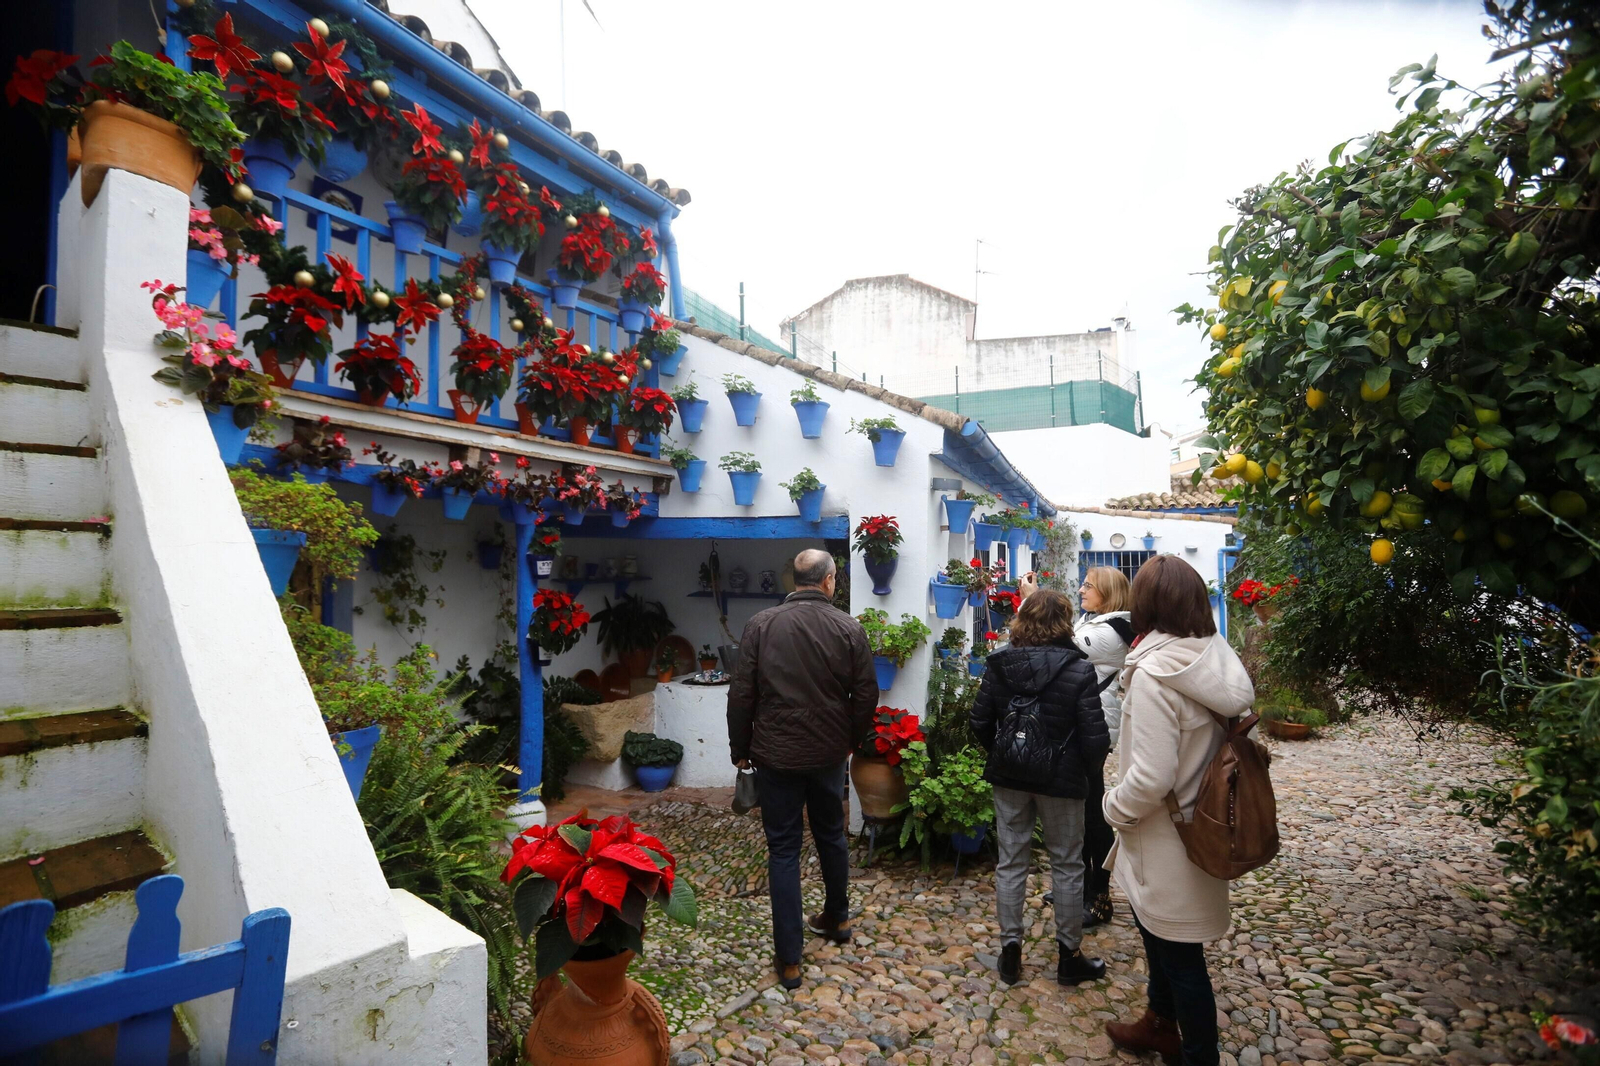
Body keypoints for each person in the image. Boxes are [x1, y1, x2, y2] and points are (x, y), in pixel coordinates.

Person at [1102, 555, 1255, 1066]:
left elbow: (1150, 777)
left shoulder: (1153, 674)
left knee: (1182, 959)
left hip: (1166, 838)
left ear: (1144, 605)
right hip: (1202, 824)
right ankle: (1159, 1024)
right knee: (1163, 939)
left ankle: (1197, 1055)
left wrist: (1113, 807)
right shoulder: (1212, 657)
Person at [727, 549, 878, 991]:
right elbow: (866, 694)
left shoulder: (761, 625)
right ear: (829, 580)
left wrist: (740, 749)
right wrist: (851, 740)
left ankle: (790, 959)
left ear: (795, 580)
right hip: (828, 753)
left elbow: (741, 693)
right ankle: (838, 917)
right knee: (831, 834)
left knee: (784, 849)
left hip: (776, 754)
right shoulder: (848, 628)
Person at [969, 588, 1110, 987]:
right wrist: (1084, 773)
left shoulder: (999, 664)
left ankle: (1010, 953)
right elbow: (1095, 738)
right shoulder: (1078, 670)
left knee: (1011, 862)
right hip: (1062, 783)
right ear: (1064, 623)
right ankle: (1069, 957)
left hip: (1010, 779)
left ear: (1022, 619)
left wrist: (1007, 755)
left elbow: (979, 722)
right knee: (1067, 864)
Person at [1073, 566, 1134, 928]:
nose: (1081, 590)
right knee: (1081, 811)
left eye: (1089, 586)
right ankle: (1079, 888)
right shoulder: (1093, 623)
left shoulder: (1111, 632)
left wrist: (1032, 603)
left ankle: (1099, 896)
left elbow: (1055, 644)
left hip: (1091, 730)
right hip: (1082, 727)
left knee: (1093, 816)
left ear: (1108, 594)